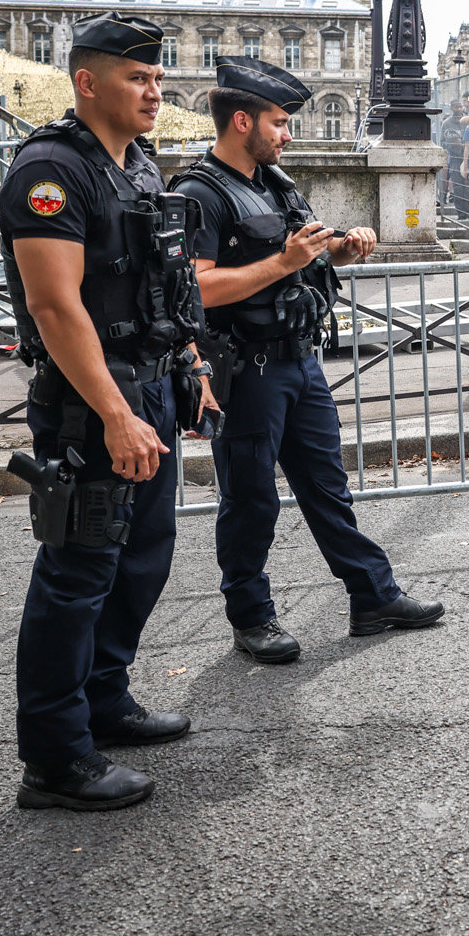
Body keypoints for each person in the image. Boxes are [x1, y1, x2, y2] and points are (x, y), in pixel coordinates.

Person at [0, 14, 219, 811]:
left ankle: (104, 701)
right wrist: (118, 416)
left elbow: (167, 287)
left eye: (157, 78)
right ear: (87, 82)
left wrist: (190, 364)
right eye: (138, 78)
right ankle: (55, 759)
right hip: (94, 406)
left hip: (152, 387)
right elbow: (56, 309)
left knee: (142, 558)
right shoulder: (51, 170)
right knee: (77, 574)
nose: (154, 90)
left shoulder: (141, 169)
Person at [174, 55, 443, 666]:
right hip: (245, 370)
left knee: (328, 488)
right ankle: (252, 618)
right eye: (278, 122)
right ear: (241, 121)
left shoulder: (276, 183)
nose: (288, 133)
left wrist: (344, 251)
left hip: (299, 361)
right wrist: (286, 263)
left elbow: (306, 261)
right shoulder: (199, 193)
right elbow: (198, 289)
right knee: (250, 500)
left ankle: (372, 597)